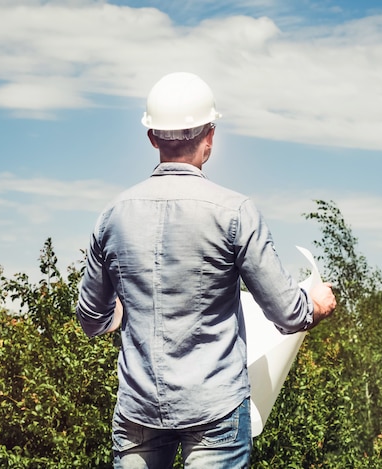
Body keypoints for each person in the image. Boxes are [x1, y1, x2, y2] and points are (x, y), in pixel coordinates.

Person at [76, 71, 336, 469]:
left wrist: (136, 303)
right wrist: (316, 303)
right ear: (210, 137)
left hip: (138, 410)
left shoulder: (113, 216)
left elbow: (93, 319)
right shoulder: (235, 212)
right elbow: (288, 314)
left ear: (152, 138)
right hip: (215, 409)